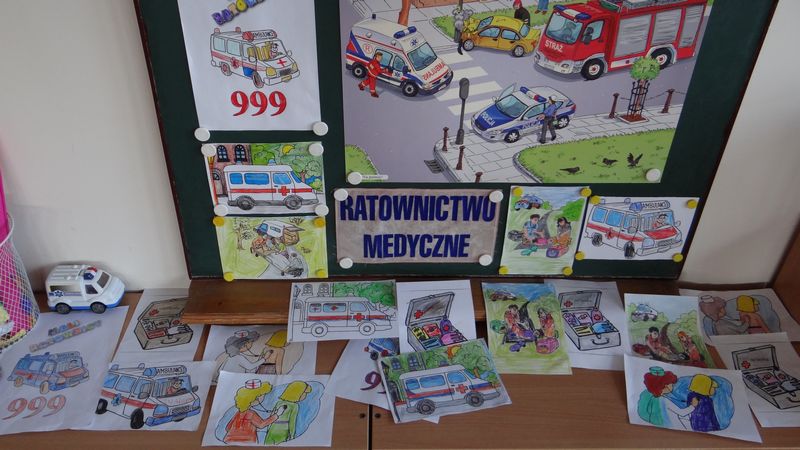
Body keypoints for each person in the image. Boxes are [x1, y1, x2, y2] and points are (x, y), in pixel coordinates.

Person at [224, 379, 287, 444]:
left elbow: (228, 428)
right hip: (247, 442)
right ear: (256, 398)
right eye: (262, 395)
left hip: (228, 441)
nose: (263, 396)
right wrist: (277, 415)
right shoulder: (251, 414)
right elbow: (261, 425)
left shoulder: (238, 413)